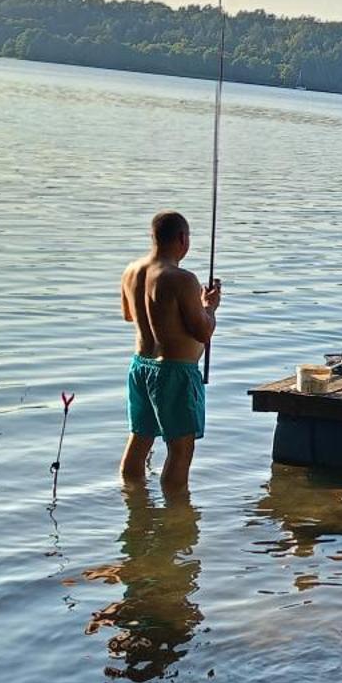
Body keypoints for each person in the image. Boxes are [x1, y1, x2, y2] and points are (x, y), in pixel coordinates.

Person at [119, 210, 220, 490]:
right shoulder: (182, 278)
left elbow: (129, 315)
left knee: (140, 438)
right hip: (174, 372)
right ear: (182, 238)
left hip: (141, 367)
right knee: (180, 450)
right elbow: (203, 331)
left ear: (153, 237)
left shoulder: (131, 271)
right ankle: (177, 519)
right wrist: (209, 307)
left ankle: (133, 502)